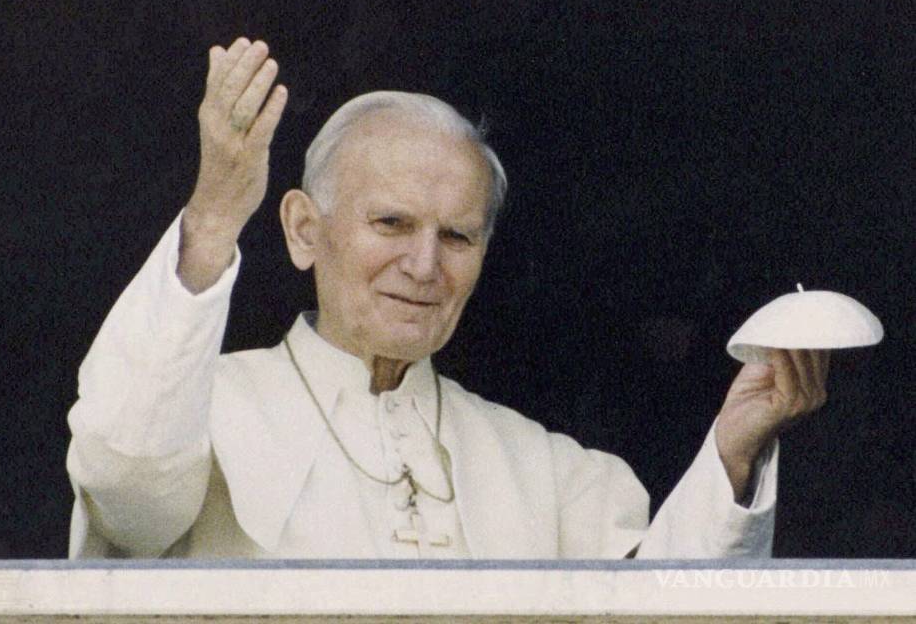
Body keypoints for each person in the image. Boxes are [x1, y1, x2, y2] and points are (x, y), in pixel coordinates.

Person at [66, 38, 829, 559]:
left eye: (457, 236)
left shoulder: (540, 467)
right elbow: (127, 491)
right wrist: (212, 219)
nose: (423, 264)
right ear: (303, 230)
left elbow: (659, 609)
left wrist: (731, 454)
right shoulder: (202, 409)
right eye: (391, 223)